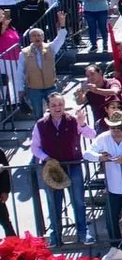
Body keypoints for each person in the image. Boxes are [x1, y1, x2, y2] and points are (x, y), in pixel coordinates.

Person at [30, 93, 95, 246]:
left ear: (64, 105)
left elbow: (91, 135)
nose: (57, 108)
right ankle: (55, 236)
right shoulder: (40, 124)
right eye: (53, 105)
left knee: (78, 201)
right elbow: (35, 148)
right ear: (48, 107)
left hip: (73, 166)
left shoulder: (73, 121)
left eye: (60, 104)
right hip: (52, 169)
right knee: (54, 203)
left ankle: (83, 233)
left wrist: (83, 123)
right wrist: (46, 159)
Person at [83, 112, 122, 241]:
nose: (116, 130)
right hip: (113, 187)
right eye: (113, 127)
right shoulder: (103, 138)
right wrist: (99, 157)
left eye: (119, 127)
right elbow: (87, 153)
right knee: (111, 219)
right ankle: (114, 245)